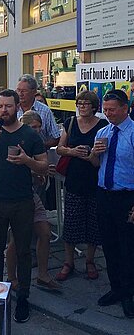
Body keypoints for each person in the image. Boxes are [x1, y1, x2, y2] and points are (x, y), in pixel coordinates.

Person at [0, 89, 48, 323]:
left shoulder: (30, 134)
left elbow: (43, 167)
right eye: (0, 106)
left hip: (22, 201)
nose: (4, 110)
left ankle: (24, 297)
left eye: (8, 106)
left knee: (23, 251)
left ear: (18, 107)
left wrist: (27, 161)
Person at [89, 89, 134, 319]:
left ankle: (129, 293)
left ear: (125, 108)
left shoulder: (133, 132)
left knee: (128, 247)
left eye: (112, 110)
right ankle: (115, 288)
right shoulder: (104, 132)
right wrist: (94, 154)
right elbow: (96, 164)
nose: (107, 114)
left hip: (127, 197)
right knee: (109, 245)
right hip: (104, 194)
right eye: (105, 110)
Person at [55, 91, 108, 282]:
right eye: (80, 103)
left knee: (94, 224)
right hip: (74, 179)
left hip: (95, 180)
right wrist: (72, 151)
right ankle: (68, 262)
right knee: (71, 222)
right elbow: (60, 148)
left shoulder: (103, 125)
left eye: (86, 104)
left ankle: (90, 260)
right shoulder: (70, 122)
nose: (82, 106)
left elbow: (105, 154)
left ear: (94, 106)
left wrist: (92, 156)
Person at [5, 110, 61, 291]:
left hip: (31, 195)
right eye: (33, 127)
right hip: (16, 195)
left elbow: (39, 169)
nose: (37, 130)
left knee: (44, 232)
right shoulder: (16, 141)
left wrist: (41, 173)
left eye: (39, 127)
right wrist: (36, 170)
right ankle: (12, 277)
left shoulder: (36, 142)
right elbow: (12, 170)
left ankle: (43, 275)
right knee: (16, 238)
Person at [16, 74, 60, 148]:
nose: (20, 94)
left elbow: (56, 138)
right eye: (18, 90)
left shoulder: (45, 111)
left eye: (24, 91)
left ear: (34, 91)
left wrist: (39, 146)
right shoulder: (13, 109)